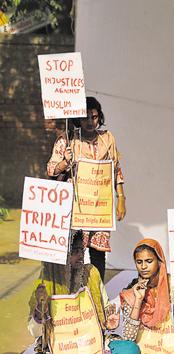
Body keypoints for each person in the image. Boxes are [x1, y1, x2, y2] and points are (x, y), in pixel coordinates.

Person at [46, 96, 126, 280]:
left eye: (94, 117)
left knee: (98, 253)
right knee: (75, 252)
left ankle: (97, 294)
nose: (90, 122)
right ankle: (73, 294)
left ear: (100, 117)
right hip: (75, 207)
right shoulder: (68, 139)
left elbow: (116, 170)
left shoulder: (107, 139)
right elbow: (51, 169)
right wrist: (65, 162)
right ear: (78, 118)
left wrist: (121, 198)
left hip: (99, 206)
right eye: (85, 117)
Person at [28, 233, 119, 352]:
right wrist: (40, 309)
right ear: (62, 254)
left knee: (129, 349)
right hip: (61, 346)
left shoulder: (91, 273)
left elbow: (105, 307)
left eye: (82, 250)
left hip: (91, 343)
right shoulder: (47, 282)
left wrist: (108, 321)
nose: (81, 255)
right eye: (74, 251)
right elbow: (34, 331)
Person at [119, 239, 174, 354]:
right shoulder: (132, 290)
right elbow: (128, 337)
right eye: (139, 262)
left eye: (149, 261)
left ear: (160, 261)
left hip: (173, 344)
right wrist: (138, 300)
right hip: (144, 346)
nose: (143, 266)